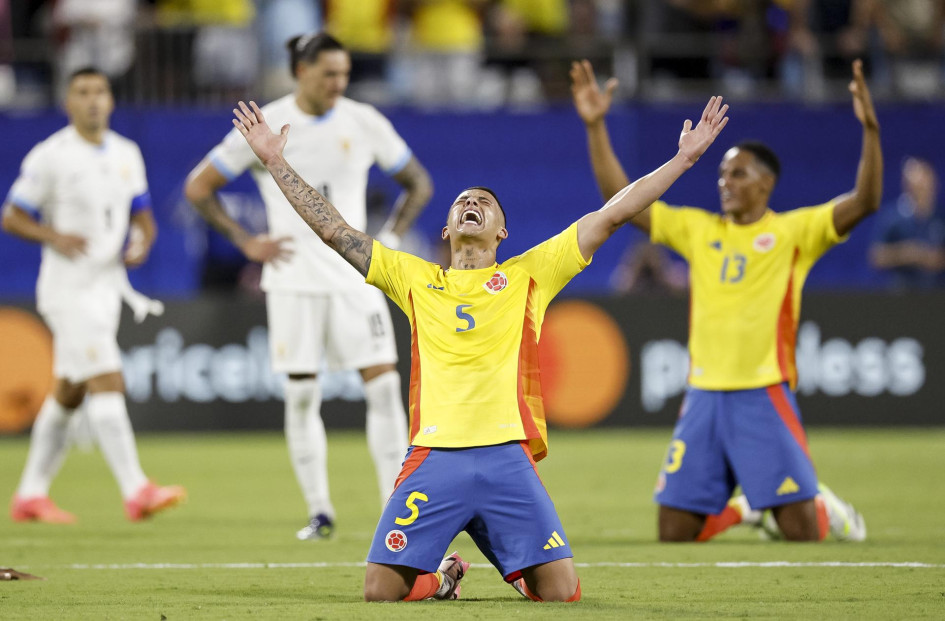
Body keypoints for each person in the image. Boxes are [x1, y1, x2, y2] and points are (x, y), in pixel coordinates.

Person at [229, 86, 728, 599]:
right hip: (434, 455)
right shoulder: (413, 278)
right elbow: (335, 231)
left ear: (502, 233)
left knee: (561, 594)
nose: (471, 204)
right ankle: (444, 577)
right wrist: (275, 161)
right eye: (462, 202)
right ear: (446, 231)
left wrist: (682, 161)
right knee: (379, 590)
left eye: (484, 203)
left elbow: (612, 215)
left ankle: (502, 546)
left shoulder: (531, 274)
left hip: (505, 457)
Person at [571, 58, 879, 542]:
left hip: (763, 390)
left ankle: (824, 506)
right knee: (674, 533)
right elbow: (618, 199)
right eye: (721, 174)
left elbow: (865, 202)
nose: (725, 182)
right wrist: (595, 126)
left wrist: (871, 131)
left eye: (738, 174)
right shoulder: (698, 229)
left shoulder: (795, 232)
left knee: (803, 533)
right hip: (703, 394)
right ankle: (745, 510)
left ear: (766, 183)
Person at [184, 32, 433, 541]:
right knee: (301, 395)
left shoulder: (364, 120)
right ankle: (320, 512)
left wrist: (389, 238)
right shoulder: (267, 124)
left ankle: (394, 502)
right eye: (329, 74)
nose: (339, 83)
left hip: (355, 279)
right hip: (293, 279)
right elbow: (198, 187)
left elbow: (419, 183)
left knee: (384, 386)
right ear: (302, 71)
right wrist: (246, 241)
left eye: (344, 74)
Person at [2, 67, 185, 523]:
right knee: (107, 377)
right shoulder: (51, 156)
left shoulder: (126, 153)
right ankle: (136, 490)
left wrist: (142, 241)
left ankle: (30, 496)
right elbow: (13, 215)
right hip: (67, 290)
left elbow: (142, 214)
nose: (92, 100)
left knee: (69, 392)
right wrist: (54, 235)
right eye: (82, 92)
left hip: (107, 288)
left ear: (111, 100)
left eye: (99, 91)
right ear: (68, 103)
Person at [869, 156, 945, 289]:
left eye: (925, 183)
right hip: (903, 291)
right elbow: (876, 257)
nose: (922, 188)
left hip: (937, 291)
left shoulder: (941, 216)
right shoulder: (892, 216)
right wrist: (908, 254)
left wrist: (934, 258)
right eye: (917, 185)